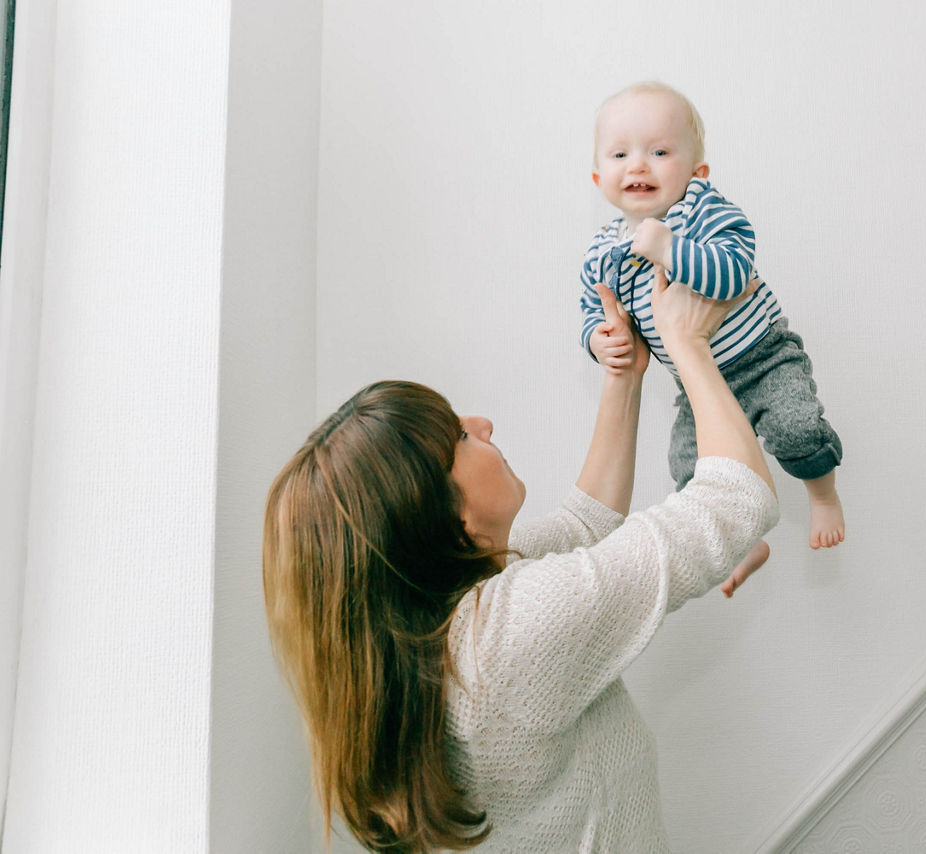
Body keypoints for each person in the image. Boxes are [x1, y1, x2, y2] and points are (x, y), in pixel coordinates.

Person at [262, 268, 779, 852]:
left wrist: (624, 376)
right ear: (444, 518)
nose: (482, 424)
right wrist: (689, 345)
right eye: (457, 438)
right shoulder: (507, 636)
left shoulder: (448, 620)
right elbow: (737, 500)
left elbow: (585, 527)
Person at [579, 81, 844, 596]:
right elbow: (593, 308)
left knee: (796, 426)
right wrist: (598, 340)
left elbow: (732, 274)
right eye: (620, 154)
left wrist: (669, 247)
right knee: (689, 473)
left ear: (696, 172)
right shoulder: (601, 251)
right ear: (598, 177)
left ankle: (823, 493)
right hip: (697, 387)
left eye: (659, 151)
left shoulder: (703, 211)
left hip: (762, 358)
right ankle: (745, 546)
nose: (638, 165)